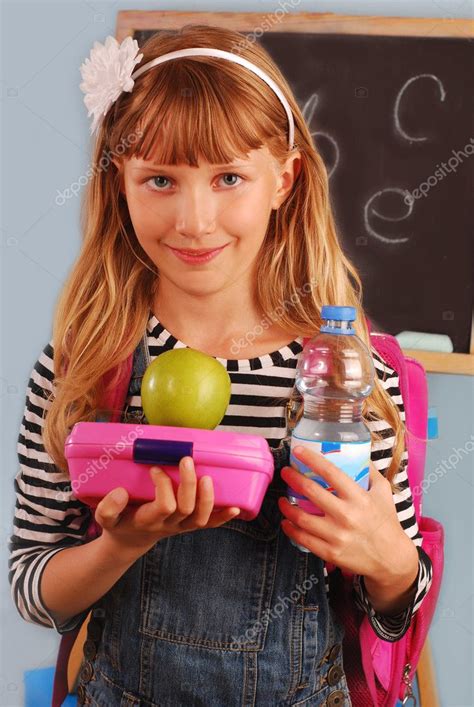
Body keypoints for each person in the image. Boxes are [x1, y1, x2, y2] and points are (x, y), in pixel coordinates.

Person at [8, 24, 433, 706]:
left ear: (283, 179)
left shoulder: (346, 376)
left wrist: (389, 562)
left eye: (228, 176)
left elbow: (393, 607)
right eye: (160, 180)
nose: (194, 219)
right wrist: (119, 545)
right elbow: (34, 587)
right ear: (120, 181)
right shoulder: (85, 363)